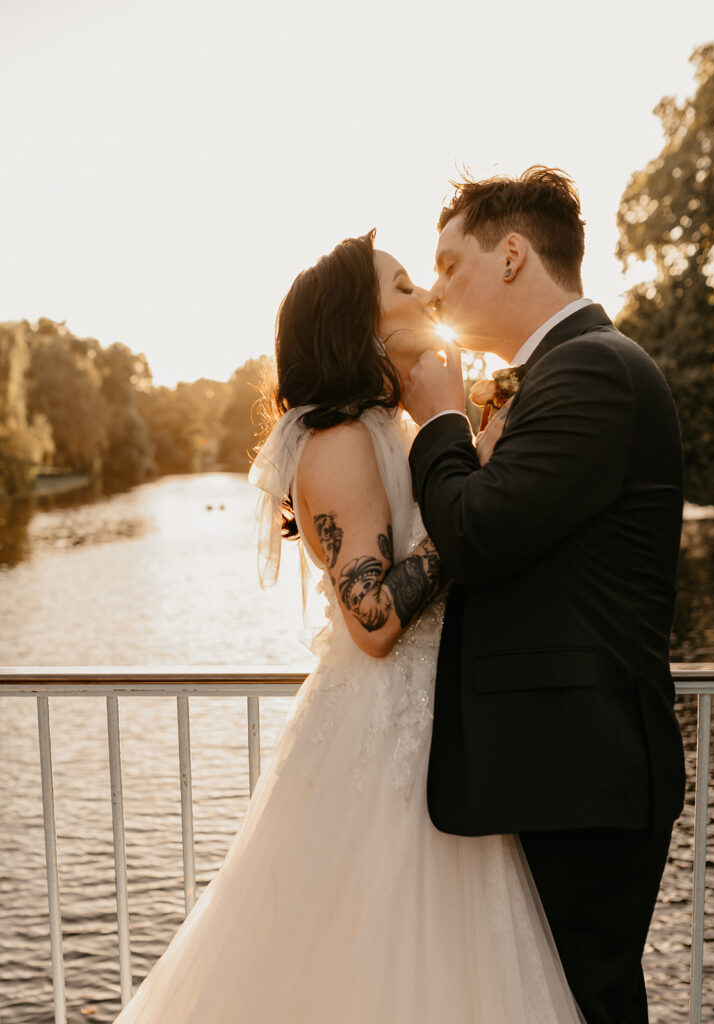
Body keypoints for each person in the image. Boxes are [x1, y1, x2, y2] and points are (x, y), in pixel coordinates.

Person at [112, 230, 584, 1023]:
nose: (426, 297)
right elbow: (371, 620)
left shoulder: (395, 430)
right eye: (403, 287)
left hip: (439, 738)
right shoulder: (335, 441)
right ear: (359, 325)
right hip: (380, 745)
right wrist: (468, 518)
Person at [402, 167, 686, 1024]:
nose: (437, 287)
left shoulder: (592, 369)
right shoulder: (566, 372)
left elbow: (477, 535)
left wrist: (442, 424)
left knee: (581, 1004)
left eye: (450, 265)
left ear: (514, 255)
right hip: (556, 769)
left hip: (580, 772)